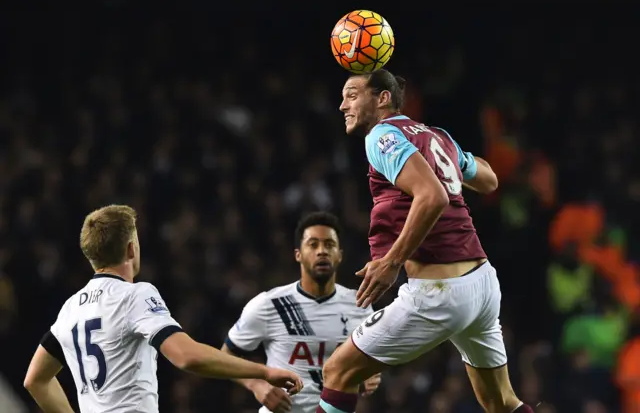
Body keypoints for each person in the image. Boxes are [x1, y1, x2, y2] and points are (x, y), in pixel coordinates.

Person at [316, 69, 534, 413]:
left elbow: (432, 196)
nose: (342, 104)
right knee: (502, 403)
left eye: (352, 95)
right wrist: (458, 160)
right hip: (481, 283)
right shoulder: (436, 136)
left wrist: (391, 262)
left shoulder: (381, 137)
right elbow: (490, 180)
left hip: (440, 291)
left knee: (337, 371)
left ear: (383, 98)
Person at [23, 205, 303, 413]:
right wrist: (262, 373)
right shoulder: (135, 294)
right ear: (132, 249)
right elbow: (185, 356)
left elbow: (35, 380)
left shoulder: (70, 309)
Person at [222, 212, 381, 413]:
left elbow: (374, 360)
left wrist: (370, 375)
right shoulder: (269, 304)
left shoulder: (360, 304)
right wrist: (258, 385)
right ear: (298, 254)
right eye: (313, 244)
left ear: (339, 255)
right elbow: (226, 355)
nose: (322, 251)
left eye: (329, 245)